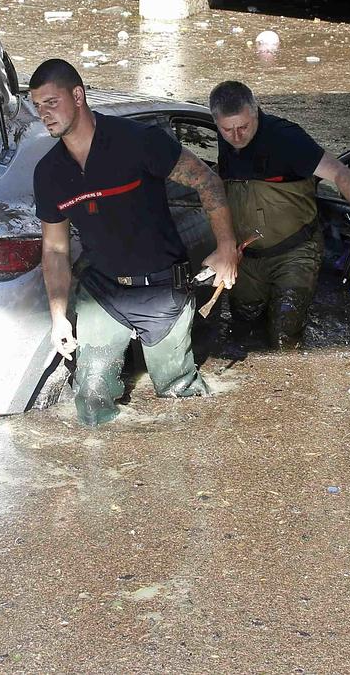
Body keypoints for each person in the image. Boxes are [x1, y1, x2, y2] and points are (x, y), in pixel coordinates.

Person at [31, 59, 240, 427]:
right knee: (91, 401)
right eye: (37, 106)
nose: (44, 114)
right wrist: (58, 315)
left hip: (162, 289)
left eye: (51, 102)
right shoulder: (49, 173)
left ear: (78, 96)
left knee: (178, 394)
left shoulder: (138, 141)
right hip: (103, 293)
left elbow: (207, 182)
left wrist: (225, 248)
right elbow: (54, 250)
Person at [208, 80, 350, 349]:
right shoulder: (226, 136)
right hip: (247, 257)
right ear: (217, 122)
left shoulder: (287, 138)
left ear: (256, 113)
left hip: (295, 252)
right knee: (243, 328)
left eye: (244, 127)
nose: (237, 136)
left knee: (284, 333)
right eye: (227, 129)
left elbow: (341, 174)